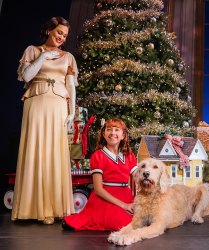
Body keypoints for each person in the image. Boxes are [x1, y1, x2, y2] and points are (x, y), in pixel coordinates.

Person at [11, 16, 77, 224]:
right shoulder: (32, 50)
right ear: (49, 30)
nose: (61, 38)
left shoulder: (68, 57)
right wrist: (43, 57)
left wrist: (72, 112)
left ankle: (52, 208)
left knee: (54, 153)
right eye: (59, 33)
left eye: (65, 36)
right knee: (34, 150)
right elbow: (27, 76)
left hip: (58, 104)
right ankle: (31, 208)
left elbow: (71, 86)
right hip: (36, 103)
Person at [62, 118, 138, 231]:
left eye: (117, 130)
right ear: (103, 134)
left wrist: (137, 202)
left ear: (123, 135)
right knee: (123, 223)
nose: (112, 133)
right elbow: (98, 189)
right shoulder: (98, 156)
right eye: (109, 129)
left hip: (126, 196)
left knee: (139, 219)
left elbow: (138, 179)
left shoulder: (129, 155)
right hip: (105, 197)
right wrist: (124, 205)